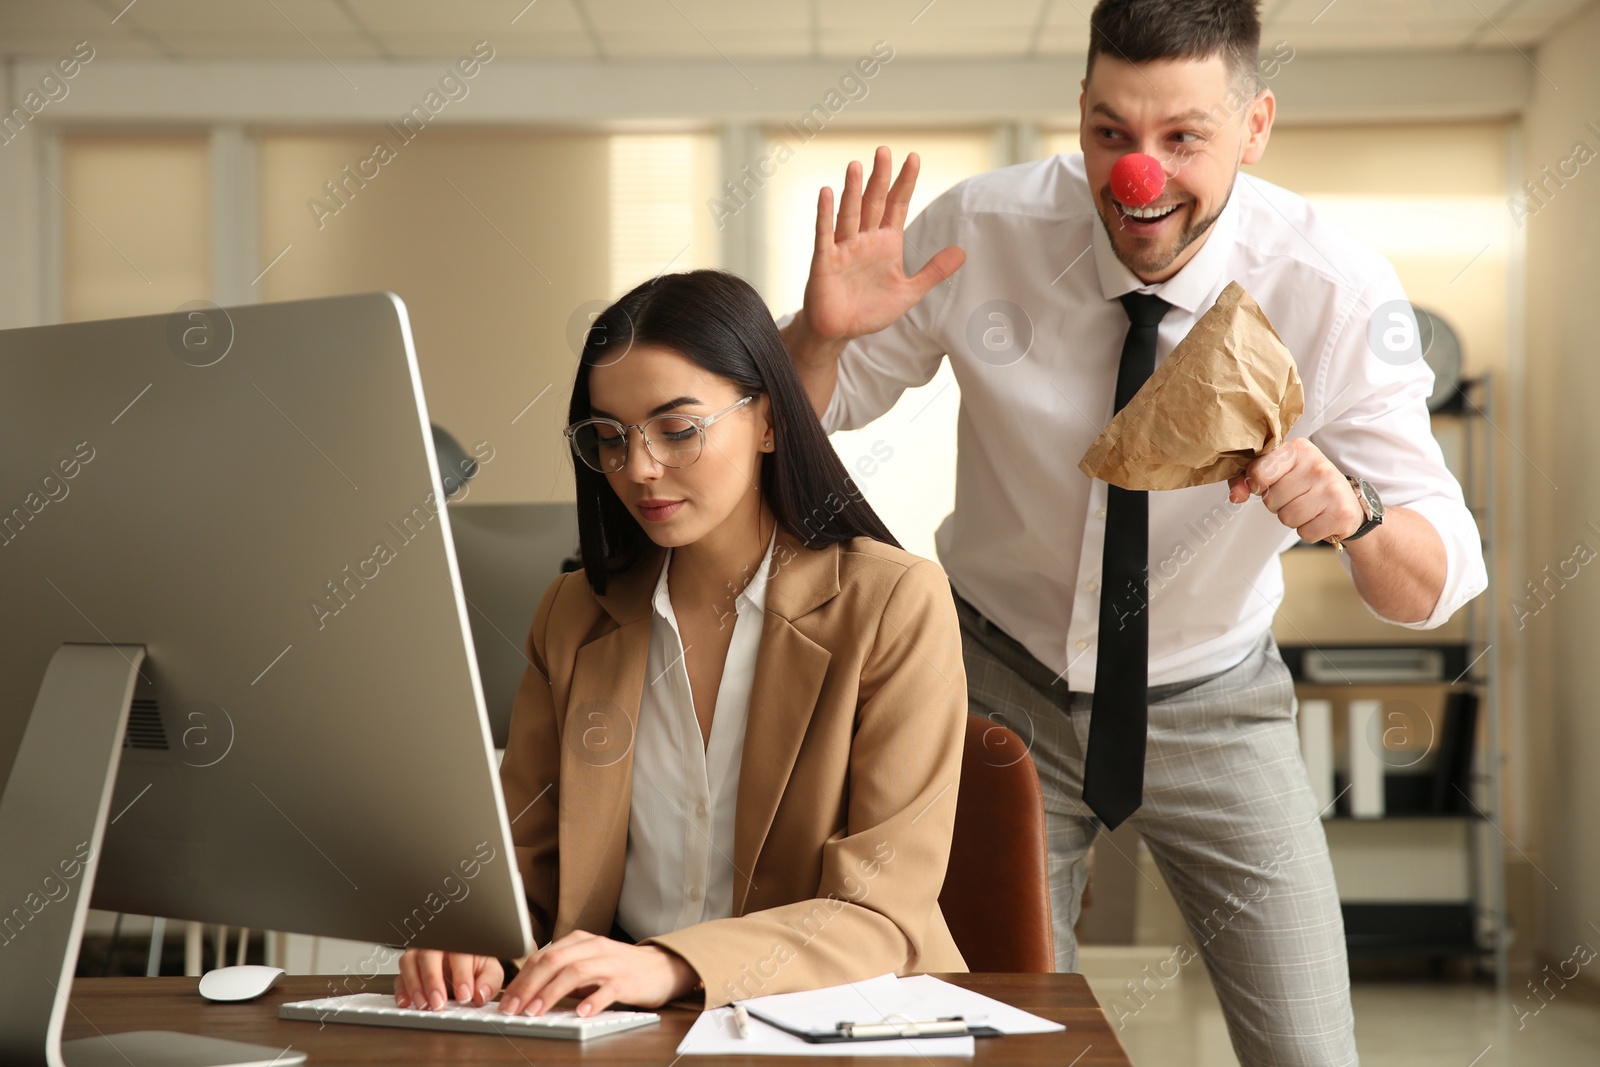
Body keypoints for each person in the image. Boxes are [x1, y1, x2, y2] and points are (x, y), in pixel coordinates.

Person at [777, 1, 1487, 1064]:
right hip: (992, 686)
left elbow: (1432, 581)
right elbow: (795, 427)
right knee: (988, 1039)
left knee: (1309, 1048)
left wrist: (1357, 512)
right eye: (1110, 132)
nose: (1136, 175)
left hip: (1213, 698)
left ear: (1254, 128)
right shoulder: (981, 232)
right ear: (1078, 111)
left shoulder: (1330, 289)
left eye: (1181, 138)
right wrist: (814, 334)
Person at [395, 269, 968, 1018]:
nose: (638, 468)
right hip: (619, 1023)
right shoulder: (573, 613)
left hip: (832, 1021)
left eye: (677, 429)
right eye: (609, 436)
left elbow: (880, 913)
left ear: (770, 421)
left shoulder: (893, 603)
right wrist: (471, 936)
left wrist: (672, 964)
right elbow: (524, 870)